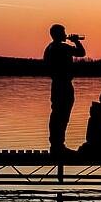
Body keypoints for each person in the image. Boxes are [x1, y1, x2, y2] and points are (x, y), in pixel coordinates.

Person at [44, 24, 86, 154]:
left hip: (56, 85)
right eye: (63, 32)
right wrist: (76, 41)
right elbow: (81, 53)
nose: (65, 35)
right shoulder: (62, 47)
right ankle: (59, 146)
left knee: (57, 114)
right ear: (57, 34)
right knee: (62, 115)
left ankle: (56, 145)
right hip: (64, 85)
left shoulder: (49, 48)